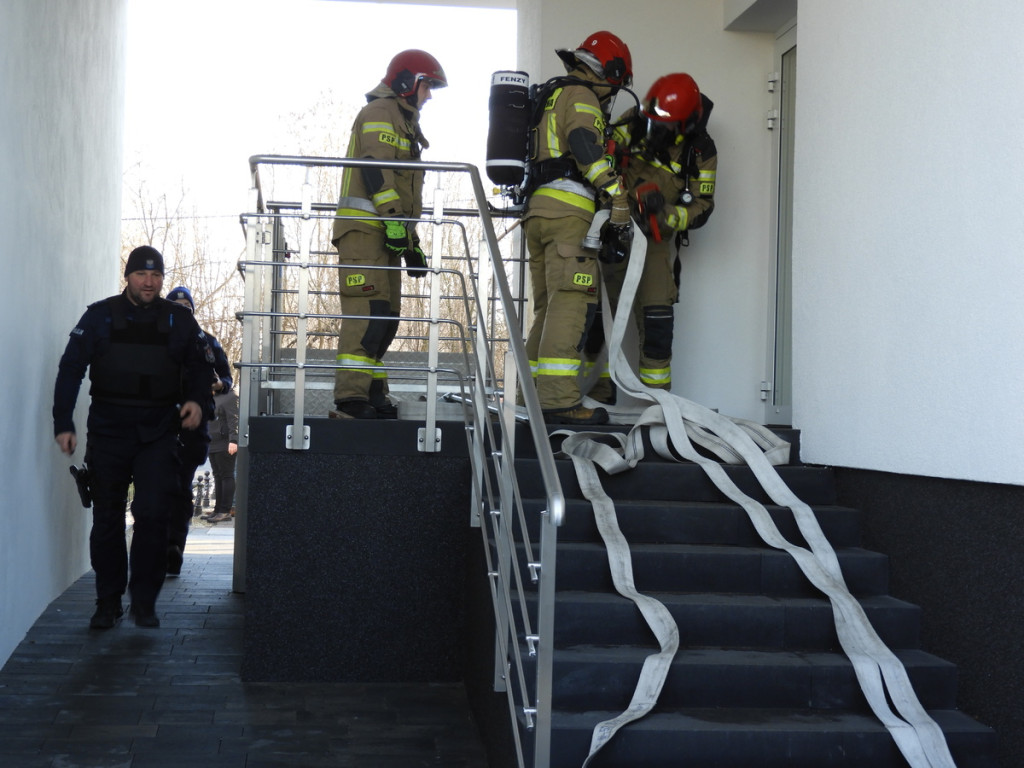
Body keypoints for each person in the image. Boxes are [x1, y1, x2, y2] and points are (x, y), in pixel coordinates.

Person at [53, 246, 215, 629]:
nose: (149, 281)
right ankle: (108, 601)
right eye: (142, 275)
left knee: (153, 514)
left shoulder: (179, 320)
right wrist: (63, 422)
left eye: (156, 275)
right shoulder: (99, 316)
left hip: (158, 432)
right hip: (109, 430)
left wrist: (194, 399)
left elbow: (199, 366)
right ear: (128, 276)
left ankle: (144, 600)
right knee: (107, 518)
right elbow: (71, 368)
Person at [522, 30, 633, 425]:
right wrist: (615, 193)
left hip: (538, 214)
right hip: (569, 213)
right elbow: (585, 143)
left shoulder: (549, 95)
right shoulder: (582, 95)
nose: (612, 94)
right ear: (608, 71)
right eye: (615, 85)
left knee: (548, 309)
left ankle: (527, 394)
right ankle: (557, 400)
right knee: (571, 305)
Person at [329, 49, 447, 419]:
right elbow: (375, 170)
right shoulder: (380, 113)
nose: (429, 96)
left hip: (384, 233)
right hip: (365, 232)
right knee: (369, 314)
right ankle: (350, 399)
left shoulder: (404, 121)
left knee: (387, 317)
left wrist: (410, 243)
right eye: (427, 87)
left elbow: (400, 187)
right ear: (406, 83)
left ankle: (374, 393)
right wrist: (396, 221)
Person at [585, 72, 717, 399]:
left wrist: (665, 212)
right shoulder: (633, 121)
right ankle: (596, 393)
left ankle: (658, 407)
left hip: (656, 241)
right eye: (652, 118)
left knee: (657, 323)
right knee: (596, 319)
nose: (656, 127)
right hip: (613, 231)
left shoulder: (700, 150)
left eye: (666, 123)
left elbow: (703, 207)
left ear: (686, 123)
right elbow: (601, 165)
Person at [165, 286, 233, 572]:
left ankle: (173, 550)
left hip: (193, 427)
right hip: (155, 425)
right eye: (177, 305)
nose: (183, 310)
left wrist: (216, 385)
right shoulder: (154, 339)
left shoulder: (208, 342)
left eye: (187, 306)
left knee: (181, 489)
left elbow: (227, 378)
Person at [204, 384, 239, 524]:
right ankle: (217, 510)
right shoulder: (214, 397)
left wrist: (234, 440)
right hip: (212, 441)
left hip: (225, 443)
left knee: (226, 475)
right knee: (217, 476)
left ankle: (225, 511)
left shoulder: (230, 396)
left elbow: (234, 419)